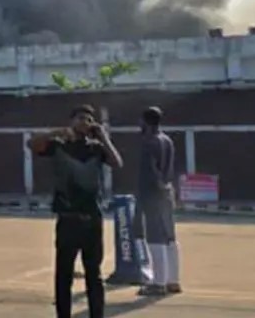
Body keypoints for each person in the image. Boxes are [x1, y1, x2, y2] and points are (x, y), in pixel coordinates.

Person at [28, 105, 123, 318]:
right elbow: (32, 144)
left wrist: (103, 136)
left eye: (88, 119)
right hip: (68, 218)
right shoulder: (59, 146)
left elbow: (117, 162)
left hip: (92, 218)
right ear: (71, 121)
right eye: (80, 118)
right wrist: (56, 132)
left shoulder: (96, 148)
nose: (84, 122)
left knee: (93, 274)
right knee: (64, 274)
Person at [137, 106, 181, 297]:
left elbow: (151, 170)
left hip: (153, 192)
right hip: (168, 190)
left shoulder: (149, 142)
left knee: (154, 236)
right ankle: (173, 280)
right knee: (169, 235)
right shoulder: (167, 140)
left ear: (144, 121)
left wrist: (153, 188)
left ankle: (158, 282)